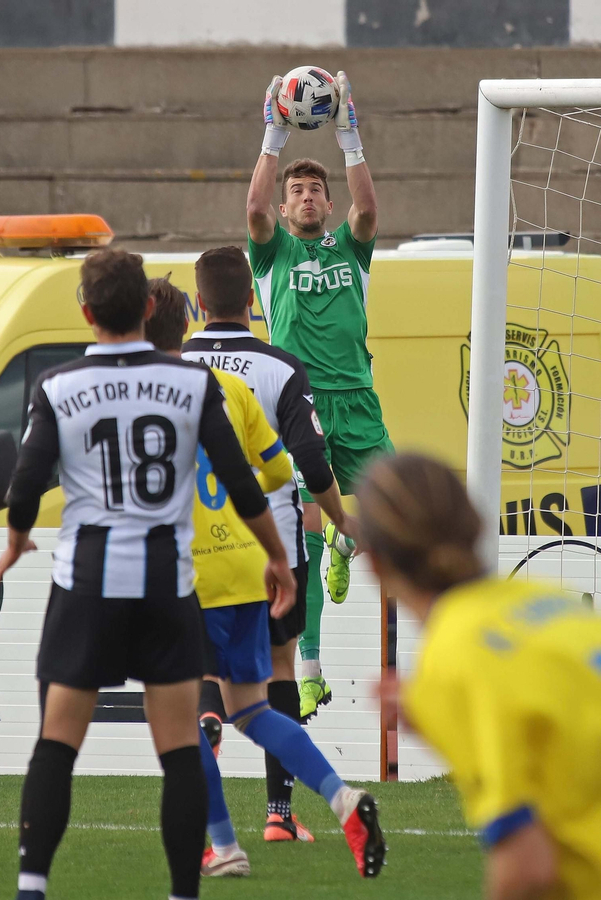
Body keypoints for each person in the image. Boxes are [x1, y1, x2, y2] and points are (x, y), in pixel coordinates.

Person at [0, 248, 294, 900]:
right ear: (150, 307)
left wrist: (16, 541)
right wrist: (275, 554)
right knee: (180, 748)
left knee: (57, 743)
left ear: (85, 311)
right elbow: (242, 483)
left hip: (87, 585)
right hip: (165, 584)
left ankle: (32, 885)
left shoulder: (59, 385)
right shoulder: (192, 384)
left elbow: (23, 485)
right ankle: (184, 892)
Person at [358, 453, 601, 900]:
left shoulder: (453, 654)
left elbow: (527, 870)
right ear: (473, 522)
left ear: (375, 566)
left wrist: (447, 700)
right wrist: (441, 715)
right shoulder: (554, 604)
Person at [144, 277, 387, 880]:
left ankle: (224, 843)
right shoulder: (232, 386)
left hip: (179, 570)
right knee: (253, 709)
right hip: (248, 564)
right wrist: (293, 546)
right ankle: (339, 798)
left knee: (176, 713)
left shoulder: (135, 394)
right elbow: (282, 473)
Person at [182, 246, 356, 842]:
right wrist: (339, 518)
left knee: (202, 660)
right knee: (280, 667)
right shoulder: (281, 367)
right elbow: (309, 457)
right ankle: (280, 816)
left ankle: (208, 712)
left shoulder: (173, 364)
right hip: (272, 543)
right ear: (253, 301)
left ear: (199, 302)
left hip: (198, 541)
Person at [249, 70, 390, 720]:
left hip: (358, 401)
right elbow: (250, 210)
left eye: (315, 190)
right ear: (284, 209)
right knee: (303, 525)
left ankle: (344, 541)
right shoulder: (272, 253)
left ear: (326, 207)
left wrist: (348, 136)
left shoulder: (348, 248)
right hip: (299, 407)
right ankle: (311, 672)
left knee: (395, 515)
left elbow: (370, 211)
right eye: (296, 190)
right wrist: (273, 137)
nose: (306, 197)